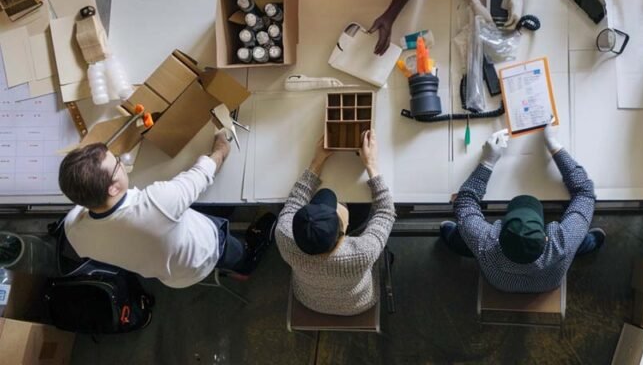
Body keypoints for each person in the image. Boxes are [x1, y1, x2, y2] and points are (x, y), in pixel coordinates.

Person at [59, 133, 277, 288]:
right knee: (232, 248)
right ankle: (245, 262)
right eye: (117, 163)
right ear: (113, 188)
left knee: (203, 207)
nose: (121, 162)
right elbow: (206, 169)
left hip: (170, 272)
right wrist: (220, 146)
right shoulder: (158, 204)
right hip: (202, 253)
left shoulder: (74, 232)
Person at [439, 125, 605, 293]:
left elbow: (465, 201)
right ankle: (585, 245)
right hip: (549, 282)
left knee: (467, 236)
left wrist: (487, 161)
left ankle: (457, 242)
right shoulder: (563, 243)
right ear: (546, 237)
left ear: (499, 234)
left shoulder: (484, 243)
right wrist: (553, 145)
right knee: (576, 240)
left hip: (499, 283)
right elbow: (585, 192)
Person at [276, 130, 396, 316]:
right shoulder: (362, 252)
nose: (339, 205)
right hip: (359, 303)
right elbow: (386, 212)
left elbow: (295, 200)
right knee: (365, 212)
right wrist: (371, 165)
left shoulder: (284, 236)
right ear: (343, 234)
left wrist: (317, 161)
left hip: (309, 299)